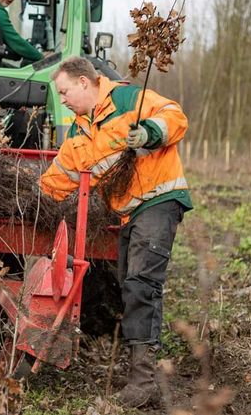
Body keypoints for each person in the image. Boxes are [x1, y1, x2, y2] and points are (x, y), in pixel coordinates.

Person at [39, 57, 192, 409]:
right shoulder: (79, 134)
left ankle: (143, 381)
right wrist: (29, 197)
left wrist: (150, 132)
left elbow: (175, 116)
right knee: (128, 283)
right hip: (128, 214)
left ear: (83, 82)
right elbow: (58, 178)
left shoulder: (128, 101)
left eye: (64, 92)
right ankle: (142, 367)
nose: (61, 99)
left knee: (140, 283)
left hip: (158, 199)